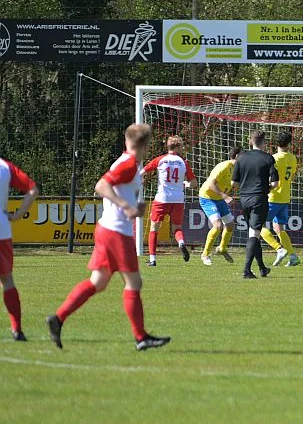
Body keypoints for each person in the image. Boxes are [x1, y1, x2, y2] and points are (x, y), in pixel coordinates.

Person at [46, 124, 170, 351]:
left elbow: (115, 189)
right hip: (116, 232)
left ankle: (58, 318)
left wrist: (133, 207)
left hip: (108, 229)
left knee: (98, 282)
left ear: (126, 140)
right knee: (134, 282)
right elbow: (101, 185)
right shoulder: (128, 164)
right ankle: (141, 338)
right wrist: (126, 206)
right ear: (145, 145)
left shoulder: (127, 163)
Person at [0, 157, 38, 341]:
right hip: (2, 229)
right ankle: (17, 330)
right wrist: (17, 215)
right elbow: (33, 190)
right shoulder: (4, 167)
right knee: (7, 280)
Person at [142, 135, 196, 266]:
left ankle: (153, 259)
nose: (182, 149)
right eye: (181, 146)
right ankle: (181, 243)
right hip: (178, 199)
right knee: (177, 227)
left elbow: (142, 172)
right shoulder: (183, 162)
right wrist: (185, 184)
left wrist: (140, 180)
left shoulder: (160, 159)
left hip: (162, 198)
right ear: (177, 147)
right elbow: (194, 183)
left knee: (154, 227)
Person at [232, 130, 278, 278]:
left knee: (253, 232)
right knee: (254, 233)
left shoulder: (241, 158)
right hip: (259, 198)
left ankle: (262, 268)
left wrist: (245, 188)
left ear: (250, 141)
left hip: (244, 199)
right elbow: (275, 183)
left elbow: (234, 182)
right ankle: (246, 270)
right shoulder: (268, 158)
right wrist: (266, 188)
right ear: (264, 142)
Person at [261, 130, 300, 268]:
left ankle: (279, 249)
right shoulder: (293, 158)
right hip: (285, 197)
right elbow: (292, 177)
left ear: (275, 143)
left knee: (258, 225)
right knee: (279, 228)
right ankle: (293, 256)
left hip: (272, 197)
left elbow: (268, 178)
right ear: (289, 143)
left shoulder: (273, 158)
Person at [198, 146, 241, 266]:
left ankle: (222, 248)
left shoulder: (238, 169)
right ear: (237, 156)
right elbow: (211, 184)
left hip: (219, 198)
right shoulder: (223, 166)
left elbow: (236, 184)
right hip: (207, 198)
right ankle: (205, 254)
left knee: (230, 225)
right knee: (217, 226)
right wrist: (225, 197)